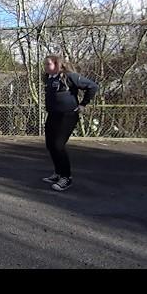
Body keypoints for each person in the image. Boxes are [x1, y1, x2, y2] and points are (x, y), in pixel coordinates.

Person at [42, 54, 98, 192]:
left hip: (67, 116)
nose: (45, 67)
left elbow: (92, 86)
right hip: (53, 115)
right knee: (50, 144)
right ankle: (58, 173)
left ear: (57, 64)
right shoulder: (49, 78)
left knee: (58, 145)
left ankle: (66, 178)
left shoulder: (69, 76)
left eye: (48, 64)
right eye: (45, 64)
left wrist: (83, 104)